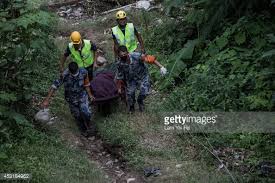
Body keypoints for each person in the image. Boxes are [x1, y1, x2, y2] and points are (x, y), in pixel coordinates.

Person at [41, 62, 95, 137]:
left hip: (82, 96)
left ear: (78, 69)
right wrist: (47, 100)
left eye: (76, 73)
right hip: (71, 99)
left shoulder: (83, 72)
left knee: (86, 113)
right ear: (69, 71)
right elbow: (54, 86)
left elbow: (86, 84)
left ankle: (90, 126)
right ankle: (83, 131)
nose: (75, 75)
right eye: (73, 73)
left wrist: (90, 95)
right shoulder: (64, 75)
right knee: (77, 116)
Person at [115, 45, 167, 113]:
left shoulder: (136, 56)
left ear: (127, 52)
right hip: (131, 79)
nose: (123, 57)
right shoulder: (120, 63)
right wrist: (119, 88)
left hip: (142, 76)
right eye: (121, 56)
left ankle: (140, 101)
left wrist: (161, 67)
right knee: (130, 93)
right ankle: (131, 106)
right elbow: (119, 76)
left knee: (144, 91)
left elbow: (150, 59)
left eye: (124, 54)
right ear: (119, 56)